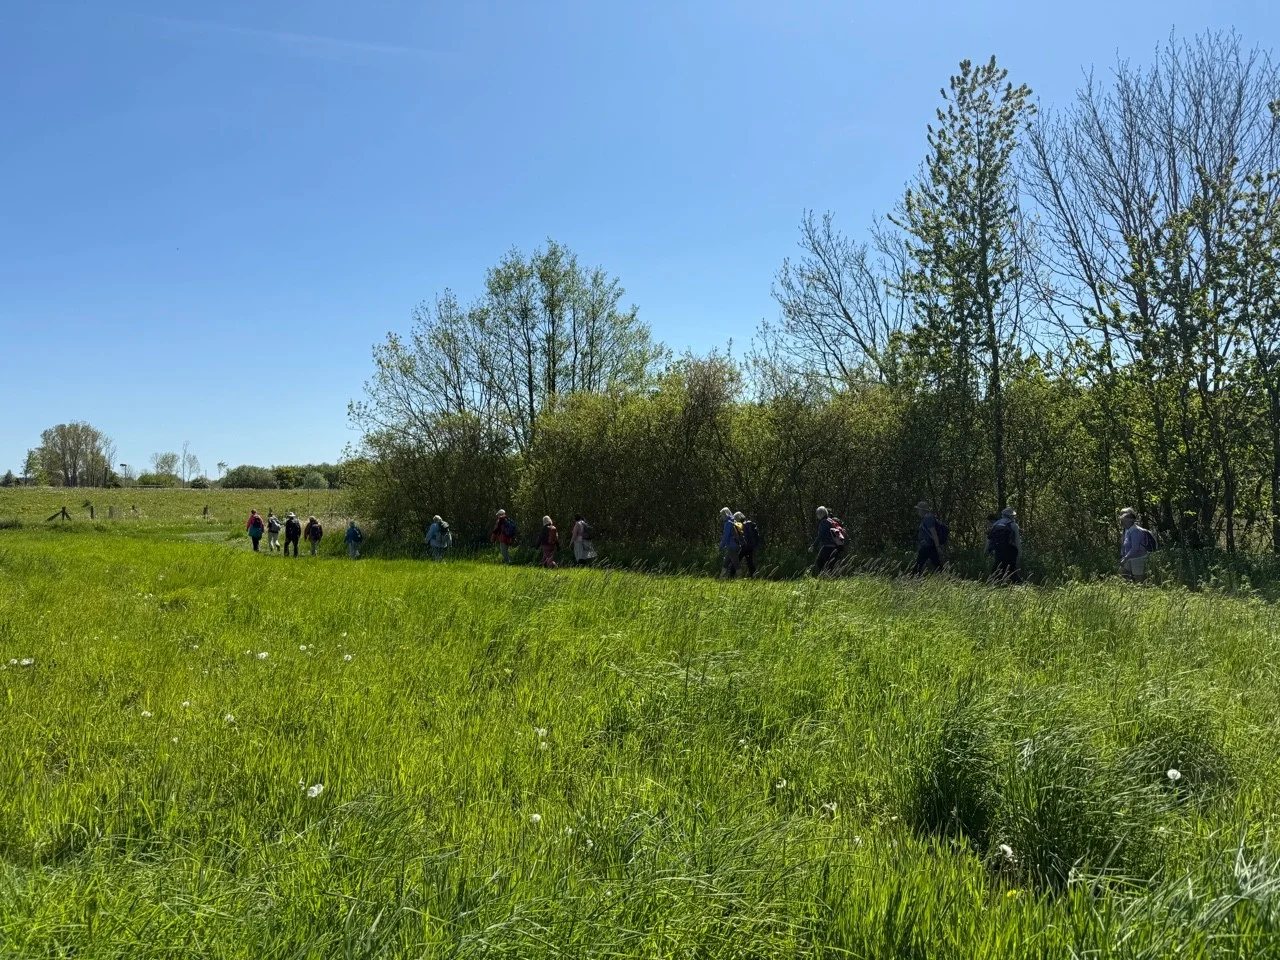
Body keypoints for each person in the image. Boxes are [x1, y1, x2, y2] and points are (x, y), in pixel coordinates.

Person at [986, 507, 1022, 583]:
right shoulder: (1013, 525)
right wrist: (1019, 553)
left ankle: (992, 585)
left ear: (1003, 515)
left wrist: (986, 550)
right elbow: (1017, 541)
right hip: (1010, 551)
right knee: (1012, 571)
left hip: (998, 551)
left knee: (996, 570)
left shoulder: (995, 524)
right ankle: (1018, 586)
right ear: (1011, 516)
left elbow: (989, 538)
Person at [1119, 507, 1154, 582]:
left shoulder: (1135, 530)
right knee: (1123, 575)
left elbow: (1135, 548)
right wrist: (1123, 555)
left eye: (1125, 515)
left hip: (1138, 558)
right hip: (1129, 558)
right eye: (1121, 514)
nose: (1122, 517)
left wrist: (1125, 558)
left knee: (1139, 581)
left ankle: (1143, 591)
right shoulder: (1126, 530)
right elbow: (1124, 545)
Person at [812, 506, 847, 575]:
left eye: (817, 514)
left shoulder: (823, 522)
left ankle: (825, 580)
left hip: (827, 547)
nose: (817, 516)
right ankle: (831, 579)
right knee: (830, 565)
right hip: (835, 547)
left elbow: (820, 536)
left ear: (820, 514)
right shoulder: (831, 520)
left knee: (820, 563)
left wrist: (813, 545)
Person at [913, 500, 944, 575]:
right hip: (928, 546)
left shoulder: (928, 518)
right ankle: (946, 577)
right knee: (936, 564)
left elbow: (933, 533)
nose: (918, 511)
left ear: (922, 510)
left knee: (919, 564)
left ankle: (913, 578)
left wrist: (937, 546)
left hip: (928, 546)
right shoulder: (927, 518)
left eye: (918, 509)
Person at [717, 507, 743, 579]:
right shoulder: (733, 521)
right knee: (726, 561)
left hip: (732, 545)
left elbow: (726, 536)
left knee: (735, 562)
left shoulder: (728, 523)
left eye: (722, 515)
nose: (722, 516)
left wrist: (721, 546)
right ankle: (722, 577)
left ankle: (740, 577)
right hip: (736, 544)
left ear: (725, 514)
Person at [736, 511, 761, 578]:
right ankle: (754, 576)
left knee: (737, 560)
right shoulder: (750, 524)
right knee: (750, 562)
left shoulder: (741, 525)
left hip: (745, 547)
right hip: (751, 546)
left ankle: (731, 576)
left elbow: (741, 537)